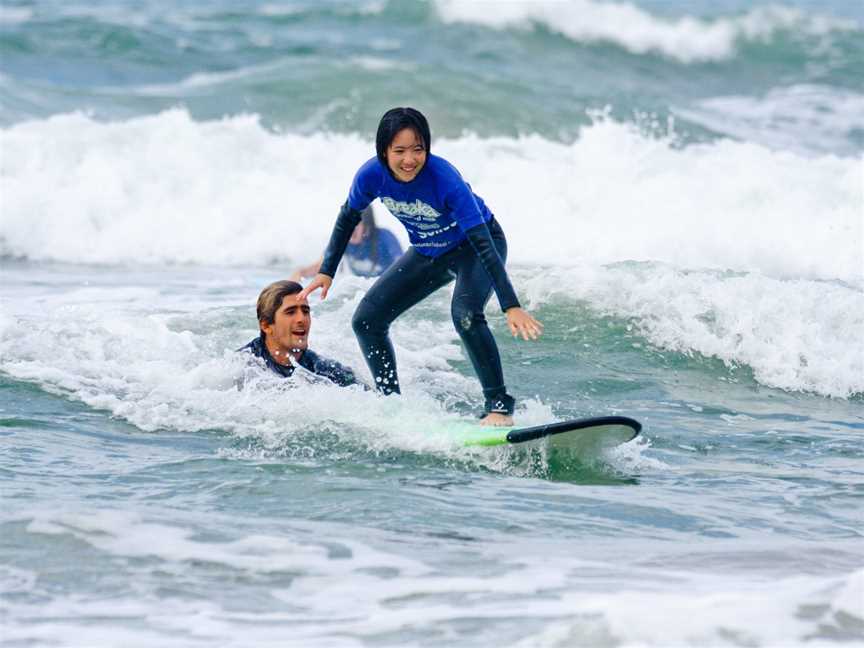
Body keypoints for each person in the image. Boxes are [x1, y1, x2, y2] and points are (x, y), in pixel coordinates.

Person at [298, 107, 542, 426]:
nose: (410, 159)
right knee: (367, 320)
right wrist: (327, 270)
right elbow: (348, 216)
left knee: (466, 314)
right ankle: (391, 405)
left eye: (418, 149)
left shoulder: (444, 179)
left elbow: (483, 241)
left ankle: (499, 405)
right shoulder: (371, 175)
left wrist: (510, 305)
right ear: (383, 151)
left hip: (476, 244)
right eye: (399, 151)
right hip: (429, 250)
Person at [239, 279, 358, 387]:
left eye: (305, 311)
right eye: (290, 312)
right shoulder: (242, 366)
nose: (302, 319)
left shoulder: (326, 370)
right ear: (266, 326)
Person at [290, 205, 403, 280]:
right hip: (361, 291)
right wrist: (299, 274)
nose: (349, 230)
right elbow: (320, 267)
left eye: (354, 225)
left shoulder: (384, 237)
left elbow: (402, 267)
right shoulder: (343, 240)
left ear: (367, 225)